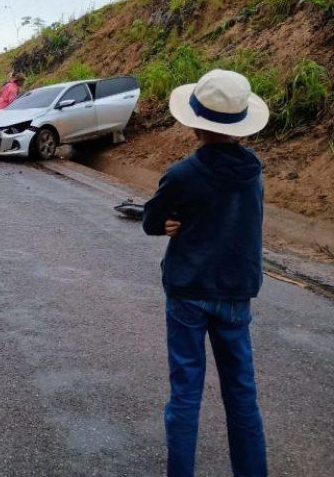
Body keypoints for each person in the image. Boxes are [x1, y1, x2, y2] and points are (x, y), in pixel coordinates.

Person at [142, 69, 270, 477]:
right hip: (236, 293)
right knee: (242, 394)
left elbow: (151, 220)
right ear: (241, 126)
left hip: (187, 292)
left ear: (195, 124)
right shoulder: (254, 175)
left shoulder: (182, 174)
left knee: (185, 393)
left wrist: (170, 223)